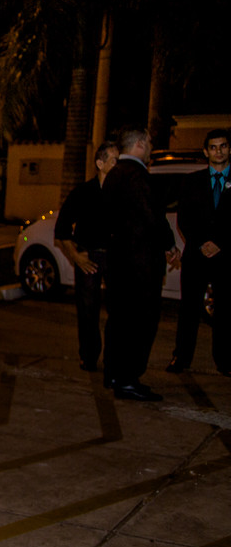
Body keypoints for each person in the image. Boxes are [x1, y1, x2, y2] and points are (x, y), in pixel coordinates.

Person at [101, 127, 181, 401]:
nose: (150, 146)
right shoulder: (137, 176)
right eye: (148, 142)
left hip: (118, 261)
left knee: (119, 319)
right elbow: (152, 216)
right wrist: (169, 245)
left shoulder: (113, 175)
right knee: (140, 322)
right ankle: (128, 379)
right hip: (139, 264)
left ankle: (113, 373)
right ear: (137, 144)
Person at [168, 128, 231, 374]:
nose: (219, 151)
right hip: (197, 255)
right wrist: (201, 242)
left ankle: (225, 361)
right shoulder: (191, 181)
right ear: (206, 151)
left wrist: (220, 242)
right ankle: (181, 358)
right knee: (189, 310)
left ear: (230, 149)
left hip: (226, 257)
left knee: (225, 311)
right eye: (213, 147)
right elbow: (184, 218)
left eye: (223, 146)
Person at [55, 140, 119, 372]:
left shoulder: (124, 194)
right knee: (87, 310)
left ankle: (115, 358)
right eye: (114, 160)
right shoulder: (82, 192)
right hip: (88, 257)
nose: (118, 165)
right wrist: (76, 256)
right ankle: (89, 356)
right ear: (100, 163)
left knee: (119, 309)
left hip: (116, 258)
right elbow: (61, 229)